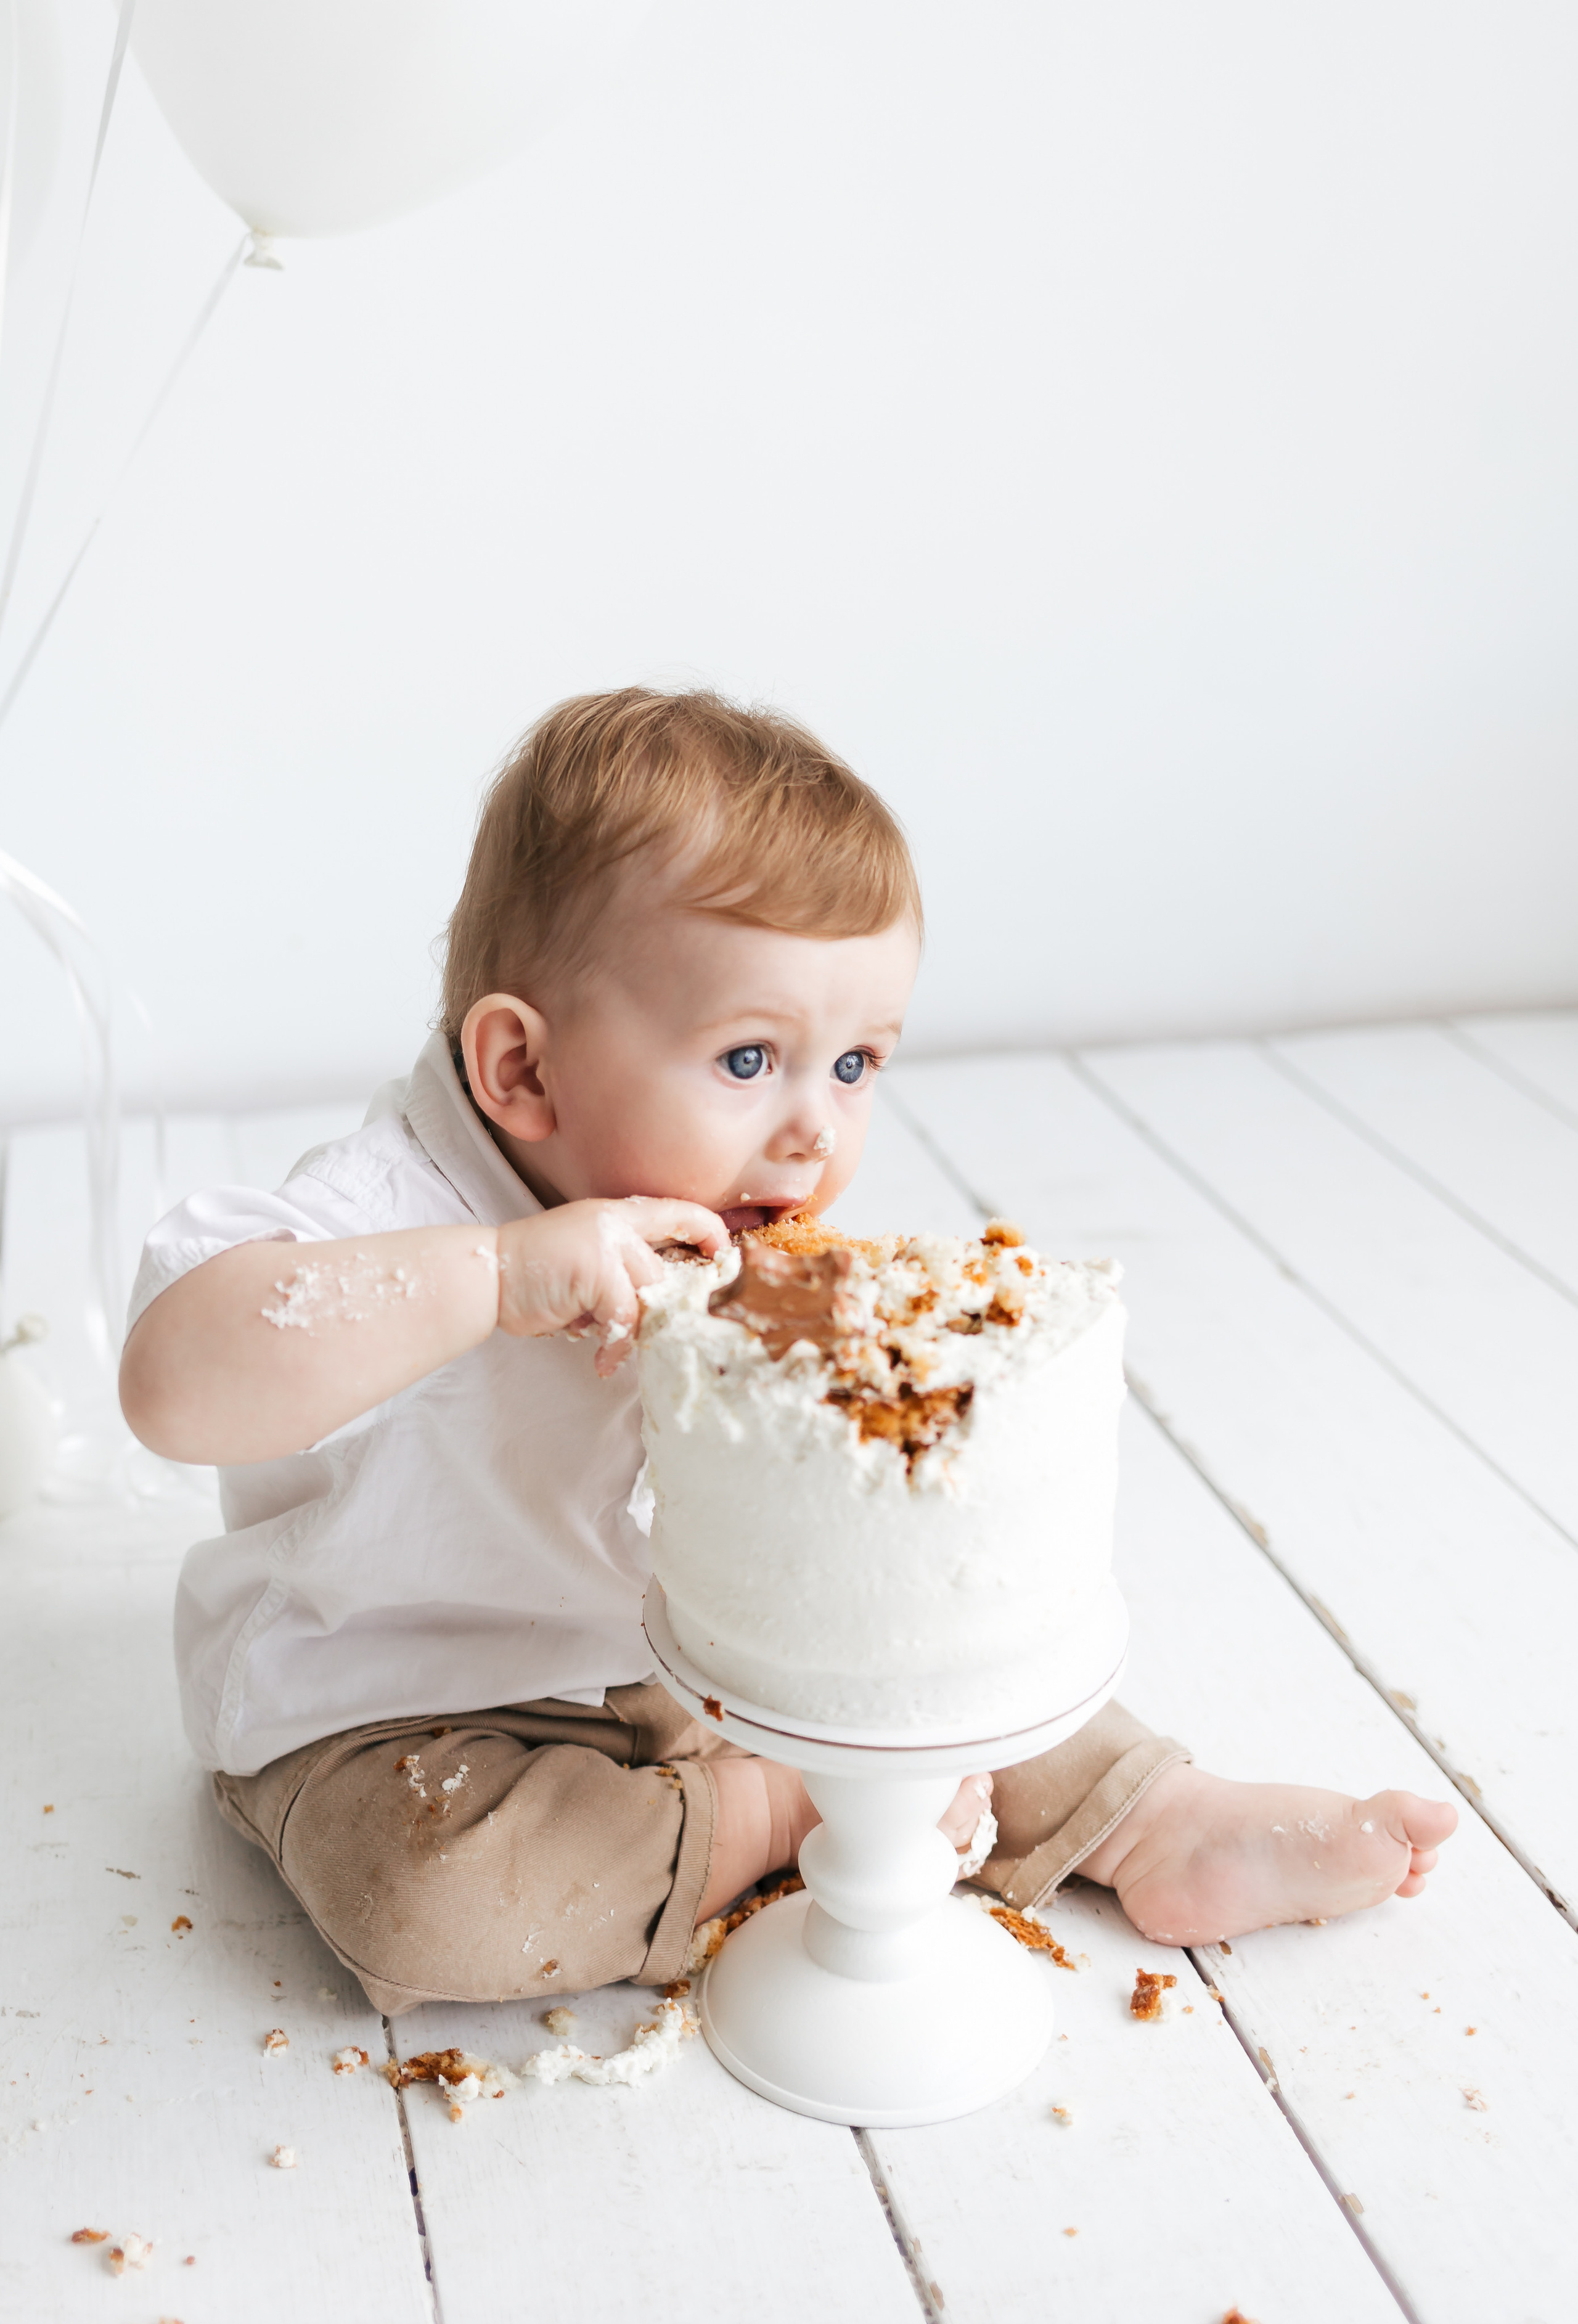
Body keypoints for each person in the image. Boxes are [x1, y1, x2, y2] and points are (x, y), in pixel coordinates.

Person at [119, 687, 1457, 2015]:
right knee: (428, 1898)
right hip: (399, 1717)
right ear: (521, 1071)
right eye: (751, 1056)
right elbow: (175, 1379)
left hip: (685, 1656)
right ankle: (780, 1812)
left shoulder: (738, 1227)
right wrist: (496, 1275)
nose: (817, 1130)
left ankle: (1150, 1816)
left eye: (857, 1064)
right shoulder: (385, 1216)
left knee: (937, 1638)